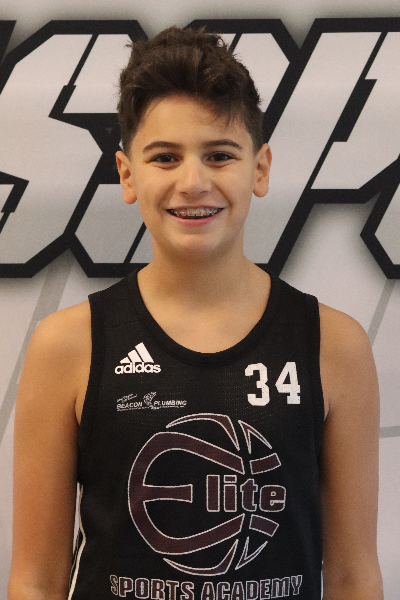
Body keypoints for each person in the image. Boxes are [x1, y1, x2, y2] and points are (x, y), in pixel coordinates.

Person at [9, 26, 383, 600]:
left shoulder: (334, 344)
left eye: (219, 155)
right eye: (165, 157)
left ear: (260, 169)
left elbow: (355, 576)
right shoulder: (67, 344)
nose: (193, 182)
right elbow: (35, 579)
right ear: (127, 174)